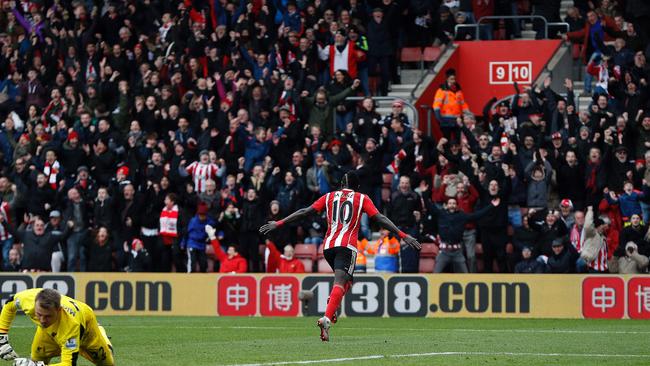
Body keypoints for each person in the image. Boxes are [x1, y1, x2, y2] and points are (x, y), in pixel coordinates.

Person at [260, 171, 420, 342]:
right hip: (347, 246)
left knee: (347, 281)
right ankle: (327, 318)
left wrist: (279, 222)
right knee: (341, 282)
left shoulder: (329, 196)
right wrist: (403, 235)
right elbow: (380, 218)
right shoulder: (361, 198)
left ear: (343, 184)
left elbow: (305, 211)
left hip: (328, 247)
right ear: (357, 186)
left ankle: (332, 306)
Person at [0, 288, 114, 366]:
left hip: (86, 329)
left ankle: (102, 335)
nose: (43, 320)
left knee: (107, 364)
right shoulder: (28, 299)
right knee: (37, 359)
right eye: (39, 314)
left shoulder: (71, 325)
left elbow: (68, 364)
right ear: (35, 305)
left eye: (48, 316)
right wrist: (2, 337)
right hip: (49, 331)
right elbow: (9, 305)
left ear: (59, 310)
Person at [428, 196, 500, 273]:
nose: (452, 205)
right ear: (446, 205)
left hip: (457, 252)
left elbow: (477, 215)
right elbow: (430, 206)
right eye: (450, 203)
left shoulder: (462, 216)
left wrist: (491, 205)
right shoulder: (441, 214)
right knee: (435, 274)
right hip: (444, 252)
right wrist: (425, 193)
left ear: (457, 206)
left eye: (454, 203)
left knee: (465, 275)